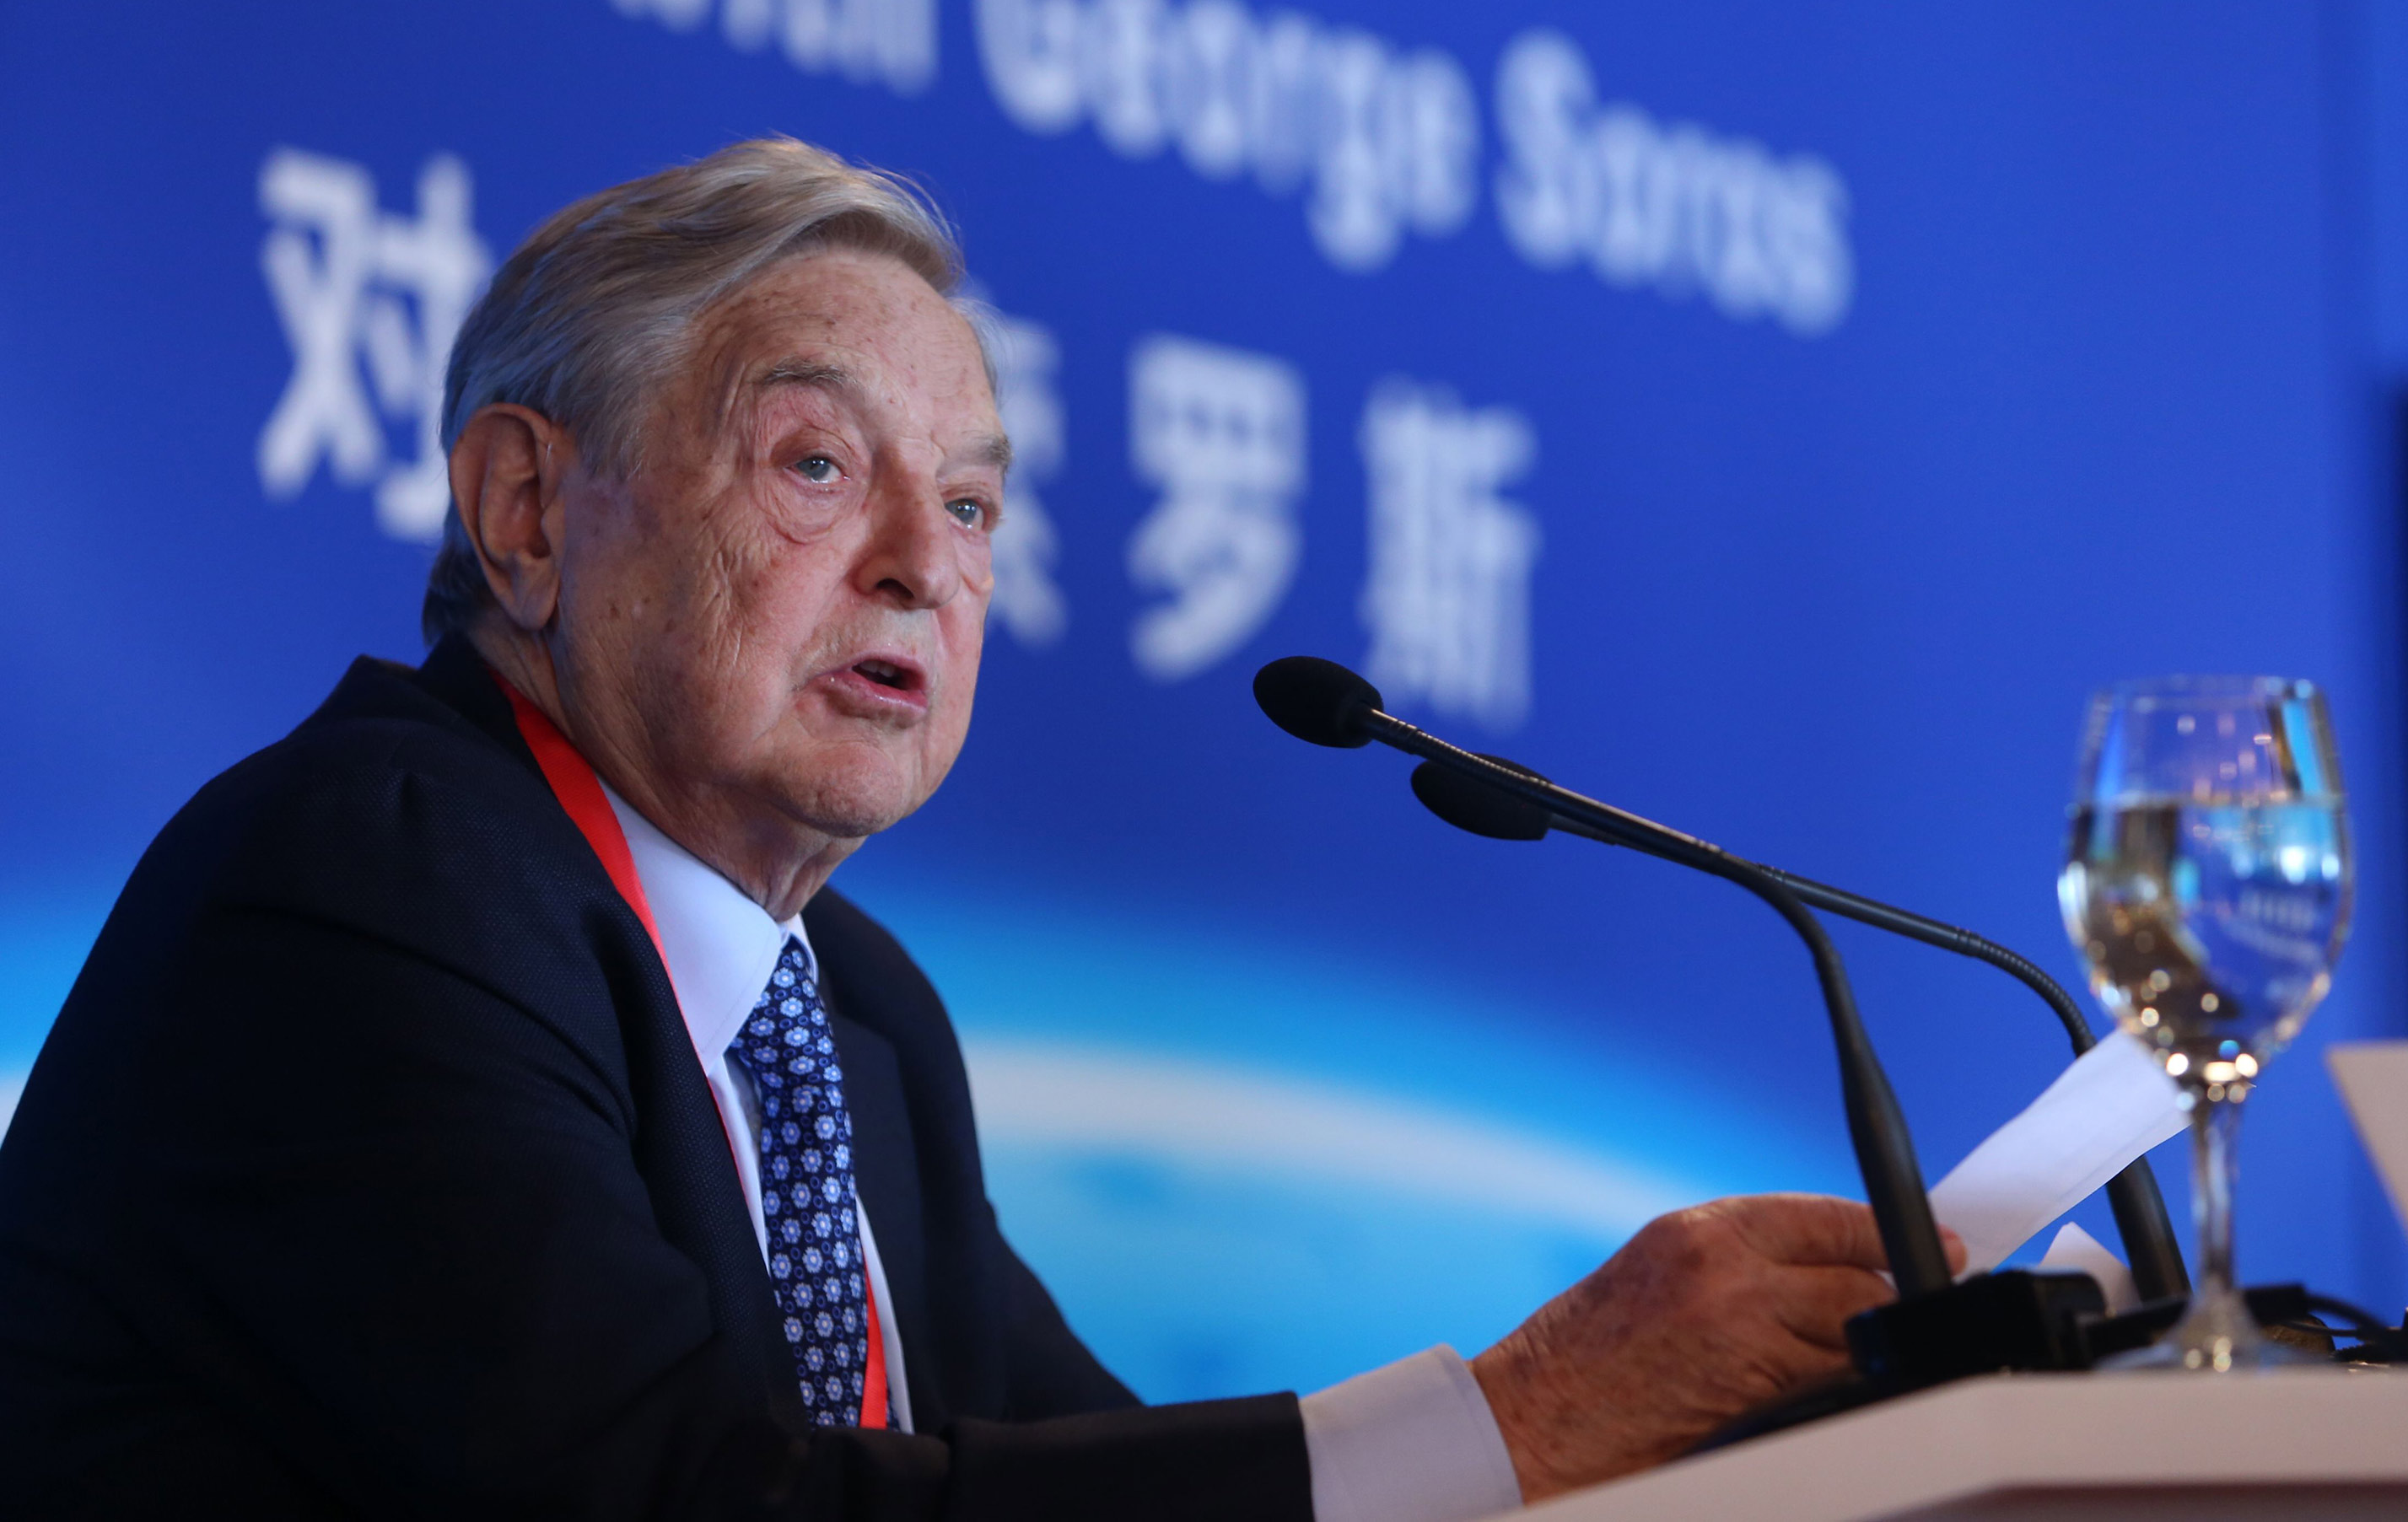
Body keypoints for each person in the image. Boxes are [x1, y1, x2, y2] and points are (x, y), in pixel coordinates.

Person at [0, 138, 1947, 1519]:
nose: (923, 568)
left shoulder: (854, 1015)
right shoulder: (359, 889)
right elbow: (689, 1502)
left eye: (973, 505)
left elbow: (1087, 1475)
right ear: (526, 513)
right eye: (817, 463)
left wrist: (1720, 1436)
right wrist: (1512, 1416)